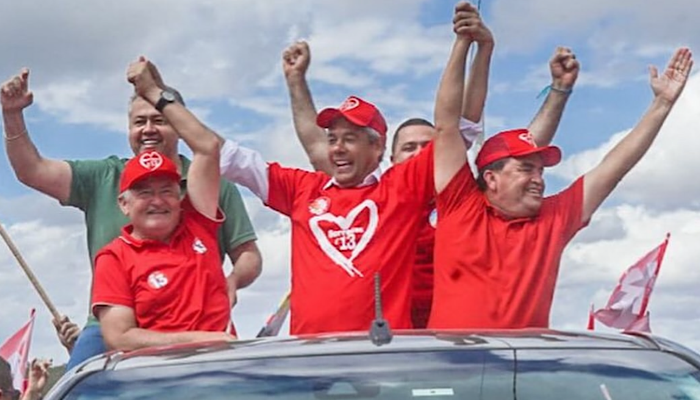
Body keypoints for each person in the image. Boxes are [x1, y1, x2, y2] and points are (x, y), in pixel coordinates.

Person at [280, 17, 579, 327]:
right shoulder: (377, 198)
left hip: (454, 326)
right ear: (388, 157)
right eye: (410, 148)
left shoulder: (466, 200)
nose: (421, 155)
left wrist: (558, 91)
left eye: (428, 146)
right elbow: (318, 147)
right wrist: (296, 81)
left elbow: (522, 152)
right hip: (396, 328)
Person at [430, 12, 693, 329]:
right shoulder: (460, 205)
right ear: (491, 178)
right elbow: (446, 125)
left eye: (541, 171)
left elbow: (614, 167)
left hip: (523, 359)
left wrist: (662, 104)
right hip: (454, 357)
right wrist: (463, 42)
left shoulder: (553, 218)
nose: (538, 180)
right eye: (526, 168)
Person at [1, 63, 260, 367]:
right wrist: (12, 115)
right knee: (80, 383)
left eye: (159, 120)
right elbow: (32, 171)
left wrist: (231, 281)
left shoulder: (208, 191)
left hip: (197, 322)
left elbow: (248, 253)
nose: (148, 129)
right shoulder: (104, 177)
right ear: (123, 202)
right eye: (139, 122)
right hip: (113, 322)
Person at [91, 58, 235, 351]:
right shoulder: (114, 258)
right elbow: (120, 337)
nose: (157, 201)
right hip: (158, 373)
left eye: (166, 190)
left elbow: (207, 146)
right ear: (124, 204)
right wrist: (199, 340)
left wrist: (155, 92)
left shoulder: (199, 222)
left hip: (222, 366)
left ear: (180, 197)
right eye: (144, 192)